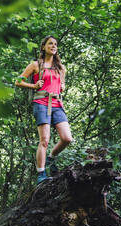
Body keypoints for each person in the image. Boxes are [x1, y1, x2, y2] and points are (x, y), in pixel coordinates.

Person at [15, 35, 73, 184]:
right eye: (50, 44)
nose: (53, 46)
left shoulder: (61, 68)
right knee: (44, 140)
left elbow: (62, 85)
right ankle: (41, 174)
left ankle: (51, 158)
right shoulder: (36, 65)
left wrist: (62, 87)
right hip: (41, 103)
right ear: (43, 47)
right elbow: (18, 81)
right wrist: (33, 86)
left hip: (57, 104)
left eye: (55, 44)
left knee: (67, 138)